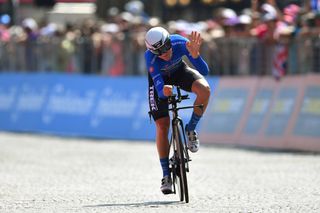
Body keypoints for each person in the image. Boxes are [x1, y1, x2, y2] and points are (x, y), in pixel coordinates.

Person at [144, 26, 211, 194]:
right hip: (160, 81)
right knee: (162, 125)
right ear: (153, 51)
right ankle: (166, 175)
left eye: (167, 48)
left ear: (169, 41)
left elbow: (204, 71)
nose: (165, 53)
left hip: (179, 71)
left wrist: (195, 56)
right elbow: (160, 90)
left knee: (205, 90)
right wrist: (164, 92)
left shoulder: (181, 43)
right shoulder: (150, 58)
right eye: (159, 52)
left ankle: (191, 129)